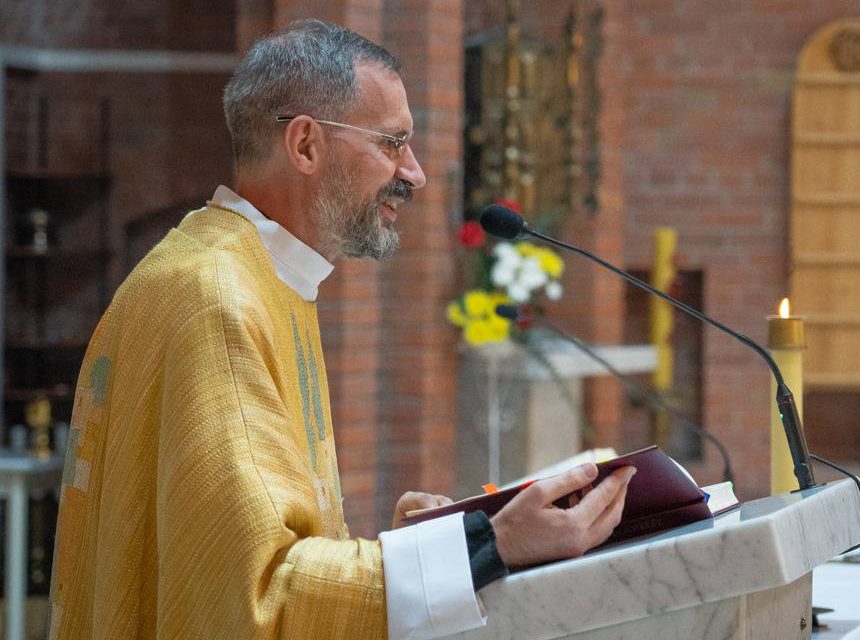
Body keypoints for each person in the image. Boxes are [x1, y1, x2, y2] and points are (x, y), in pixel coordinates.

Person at [48, 20, 634, 640]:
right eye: (392, 143)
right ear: (305, 145)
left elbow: (265, 556)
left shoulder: (256, 275)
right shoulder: (218, 299)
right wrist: (487, 545)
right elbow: (254, 599)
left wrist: (413, 551)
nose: (415, 173)